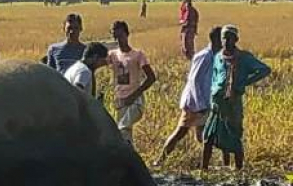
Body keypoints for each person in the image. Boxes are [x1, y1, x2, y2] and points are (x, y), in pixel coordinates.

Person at [202, 25, 271, 171]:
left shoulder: (244, 58)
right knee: (209, 138)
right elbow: (214, 78)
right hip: (217, 103)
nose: (227, 41)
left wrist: (244, 82)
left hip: (233, 104)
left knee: (234, 138)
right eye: (224, 38)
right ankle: (204, 170)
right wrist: (213, 93)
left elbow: (265, 69)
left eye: (230, 38)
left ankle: (239, 171)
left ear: (236, 40)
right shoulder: (218, 57)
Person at [155, 27, 223, 167]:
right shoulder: (204, 56)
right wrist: (200, 105)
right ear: (217, 40)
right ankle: (160, 160)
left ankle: (208, 165)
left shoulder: (216, 56)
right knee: (181, 132)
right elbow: (195, 81)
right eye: (223, 38)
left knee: (204, 136)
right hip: (194, 103)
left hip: (204, 102)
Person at [107, 20, 156, 146]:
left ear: (127, 35)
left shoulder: (138, 55)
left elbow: (151, 77)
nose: (119, 40)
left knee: (121, 128)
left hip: (135, 101)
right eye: (116, 37)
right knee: (125, 136)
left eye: (121, 36)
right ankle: (129, 161)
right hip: (120, 100)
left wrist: (134, 95)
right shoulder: (112, 55)